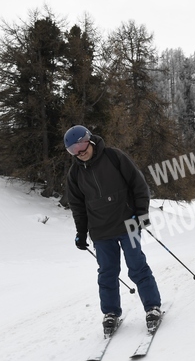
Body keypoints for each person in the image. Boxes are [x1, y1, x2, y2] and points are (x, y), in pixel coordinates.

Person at [64, 125, 161, 334]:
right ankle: (110, 313)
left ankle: (152, 306)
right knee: (107, 273)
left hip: (128, 223)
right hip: (100, 231)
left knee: (137, 266)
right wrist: (81, 232)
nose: (80, 153)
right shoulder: (75, 174)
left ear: (89, 140)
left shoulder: (114, 157)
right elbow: (78, 206)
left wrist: (141, 213)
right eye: (73, 150)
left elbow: (138, 185)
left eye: (81, 146)